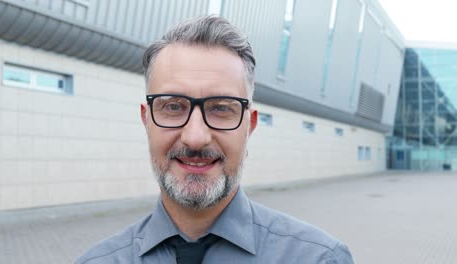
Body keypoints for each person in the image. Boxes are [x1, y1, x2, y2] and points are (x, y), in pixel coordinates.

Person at [76, 16, 354, 264]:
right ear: (146, 121)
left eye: (221, 108)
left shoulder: (319, 259)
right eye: (173, 107)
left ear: (250, 125)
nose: (195, 138)